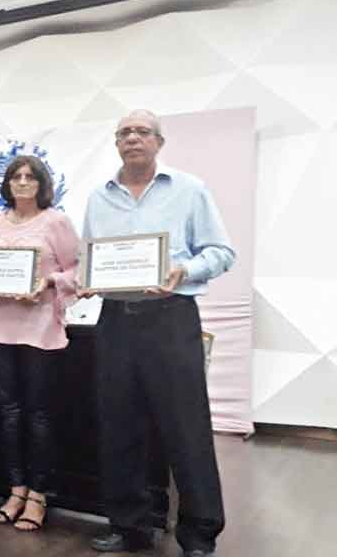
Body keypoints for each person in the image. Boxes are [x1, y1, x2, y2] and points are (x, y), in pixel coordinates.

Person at [84, 110, 233, 557]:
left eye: (142, 132)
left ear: (159, 142)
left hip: (171, 317)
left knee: (186, 428)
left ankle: (199, 533)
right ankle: (129, 526)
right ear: (116, 143)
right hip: (115, 320)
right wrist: (86, 279)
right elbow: (91, 259)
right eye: (124, 132)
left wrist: (183, 270)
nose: (133, 138)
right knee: (119, 426)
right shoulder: (98, 197)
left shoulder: (189, 189)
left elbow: (221, 252)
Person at [0, 155, 79, 532]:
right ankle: (16, 489)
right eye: (17, 176)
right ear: (8, 183)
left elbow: (77, 269)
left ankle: (39, 495)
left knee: (39, 414)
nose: (24, 182)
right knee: (9, 413)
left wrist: (48, 283)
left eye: (31, 176)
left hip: (39, 328)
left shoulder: (56, 221)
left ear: (42, 183)